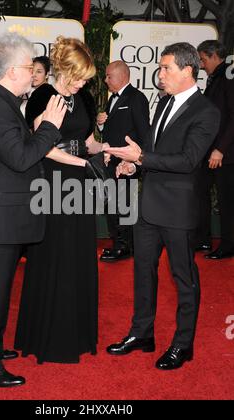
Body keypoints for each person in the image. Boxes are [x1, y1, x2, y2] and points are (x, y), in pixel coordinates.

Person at [0, 32, 67, 388]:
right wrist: (49, 126)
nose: (35, 73)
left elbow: (14, 152)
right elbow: (21, 158)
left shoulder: (0, 102)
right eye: (29, 67)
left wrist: (38, 130)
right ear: (10, 71)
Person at [105, 43, 220, 370]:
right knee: (142, 272)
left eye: (166, 68)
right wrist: (136, 167)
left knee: (184, 279)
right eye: (160, 68)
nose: (160, 75)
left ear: (187, 70)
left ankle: (183, 345)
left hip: (178, 211)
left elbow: (187, 161)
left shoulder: (207, 111)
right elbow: (156, 152)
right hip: (149, 207)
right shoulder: (164, 101)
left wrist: (140, 157)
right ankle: (142, 333)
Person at [15, 36, 107, 364]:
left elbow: (88, 141)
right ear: (65, 70)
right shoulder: (42, 96)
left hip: (79, 185)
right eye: (80, 76)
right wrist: (84, 162)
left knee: (79, 255)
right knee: (55, 254)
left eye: (86, 78)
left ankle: (77, 333)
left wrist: (113, 150)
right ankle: (50, 337)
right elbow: (45, 147)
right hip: (51, 184)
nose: (84, 82)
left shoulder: (81, 97)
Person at [97, 60, 150, 262]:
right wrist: (101, 125)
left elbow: (144, 132)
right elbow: (113, 130)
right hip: (111, 162)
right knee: (114, 205)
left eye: (109, 76)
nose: (105, 79)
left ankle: (125, 246)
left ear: (122, 76)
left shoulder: (137, 98)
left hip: (126, 164)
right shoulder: (112, 99)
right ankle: (119, 244)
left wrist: (137, 163)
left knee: (124, 205)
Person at [196, 40, 234, 259]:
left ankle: (229, 244)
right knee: (200, 192)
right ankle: (202, 239)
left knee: (227, 199)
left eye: (202, 59)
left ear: (213, 56)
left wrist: (220, 149)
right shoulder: (217, 77)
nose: (201, 65)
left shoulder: (228, 76)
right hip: (211, 151)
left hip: (225, 153)